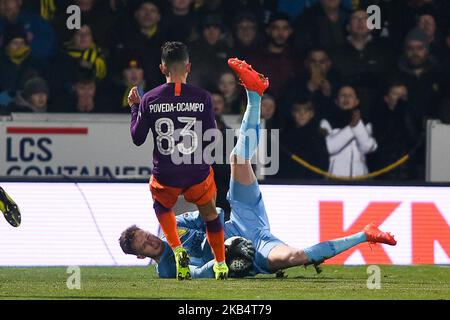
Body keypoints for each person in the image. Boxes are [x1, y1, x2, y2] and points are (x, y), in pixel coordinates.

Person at [119, 61, 396, 277]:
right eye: (145, 245)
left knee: (238, 160)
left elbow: (211, 214)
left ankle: (254, 94)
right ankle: (365, 234)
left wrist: (217, 236)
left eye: (147, 236)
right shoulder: (167, 269)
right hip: (253, 251)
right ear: (142, 256)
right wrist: (224, 260)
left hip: (241, 221)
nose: (152, 241)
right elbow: (197, 274)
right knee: (295, 257)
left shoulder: (171, 227)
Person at [127, 42, 238, 280]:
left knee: (162, 206)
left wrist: (135, 108)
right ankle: (220, 263)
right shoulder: (203, 98)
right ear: (188, 66)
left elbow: (137, 138)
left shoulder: (150, 99)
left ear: (162, 68)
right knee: (210, 214)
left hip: (166, 173)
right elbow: (212, 137)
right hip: (196, 172)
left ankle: (178, 251)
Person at [320, 85, 377, 178]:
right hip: (334, 179)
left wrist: (357, 126)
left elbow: (367, 148)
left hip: (360, 179)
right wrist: (351, 128)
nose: (346, 98)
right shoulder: (326, 121)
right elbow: (330, 148)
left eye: (350, 95)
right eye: (343, 95)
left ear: (357, 101)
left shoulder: (365, 123)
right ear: (336, 101)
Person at [278, 101, 329, 180]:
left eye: (306, 111)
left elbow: (323, 162)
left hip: (312, 182)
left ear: (311, 114)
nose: (302, 115)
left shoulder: (318, 135)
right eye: (298, 111)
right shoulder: (285, 135)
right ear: (293, 114)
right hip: (289, 182)